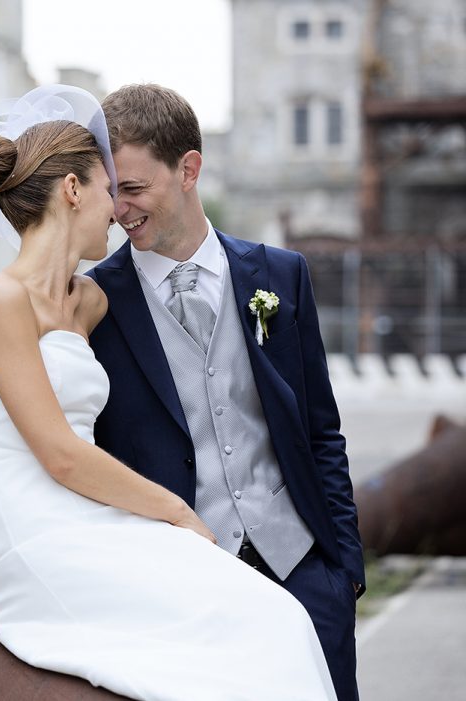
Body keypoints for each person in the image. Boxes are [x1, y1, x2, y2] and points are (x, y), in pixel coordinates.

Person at [0, 85, 337, 701]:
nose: (116, 211)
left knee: (279, 621)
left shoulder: (88, 302)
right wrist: (177, 513)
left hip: (94, 522)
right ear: (73, 190)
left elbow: (3, 429)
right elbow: (53, 453)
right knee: (246, 628)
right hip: (45, 534)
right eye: (107, 189)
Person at [88, 83, 363, 701]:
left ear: (189, 170)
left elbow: (321, 432)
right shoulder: (95, 302)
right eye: (110, 192)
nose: (119, 210)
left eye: (133, 188)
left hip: (303, 576)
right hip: (179, 594)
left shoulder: (281, 275)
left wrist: (344, 572)